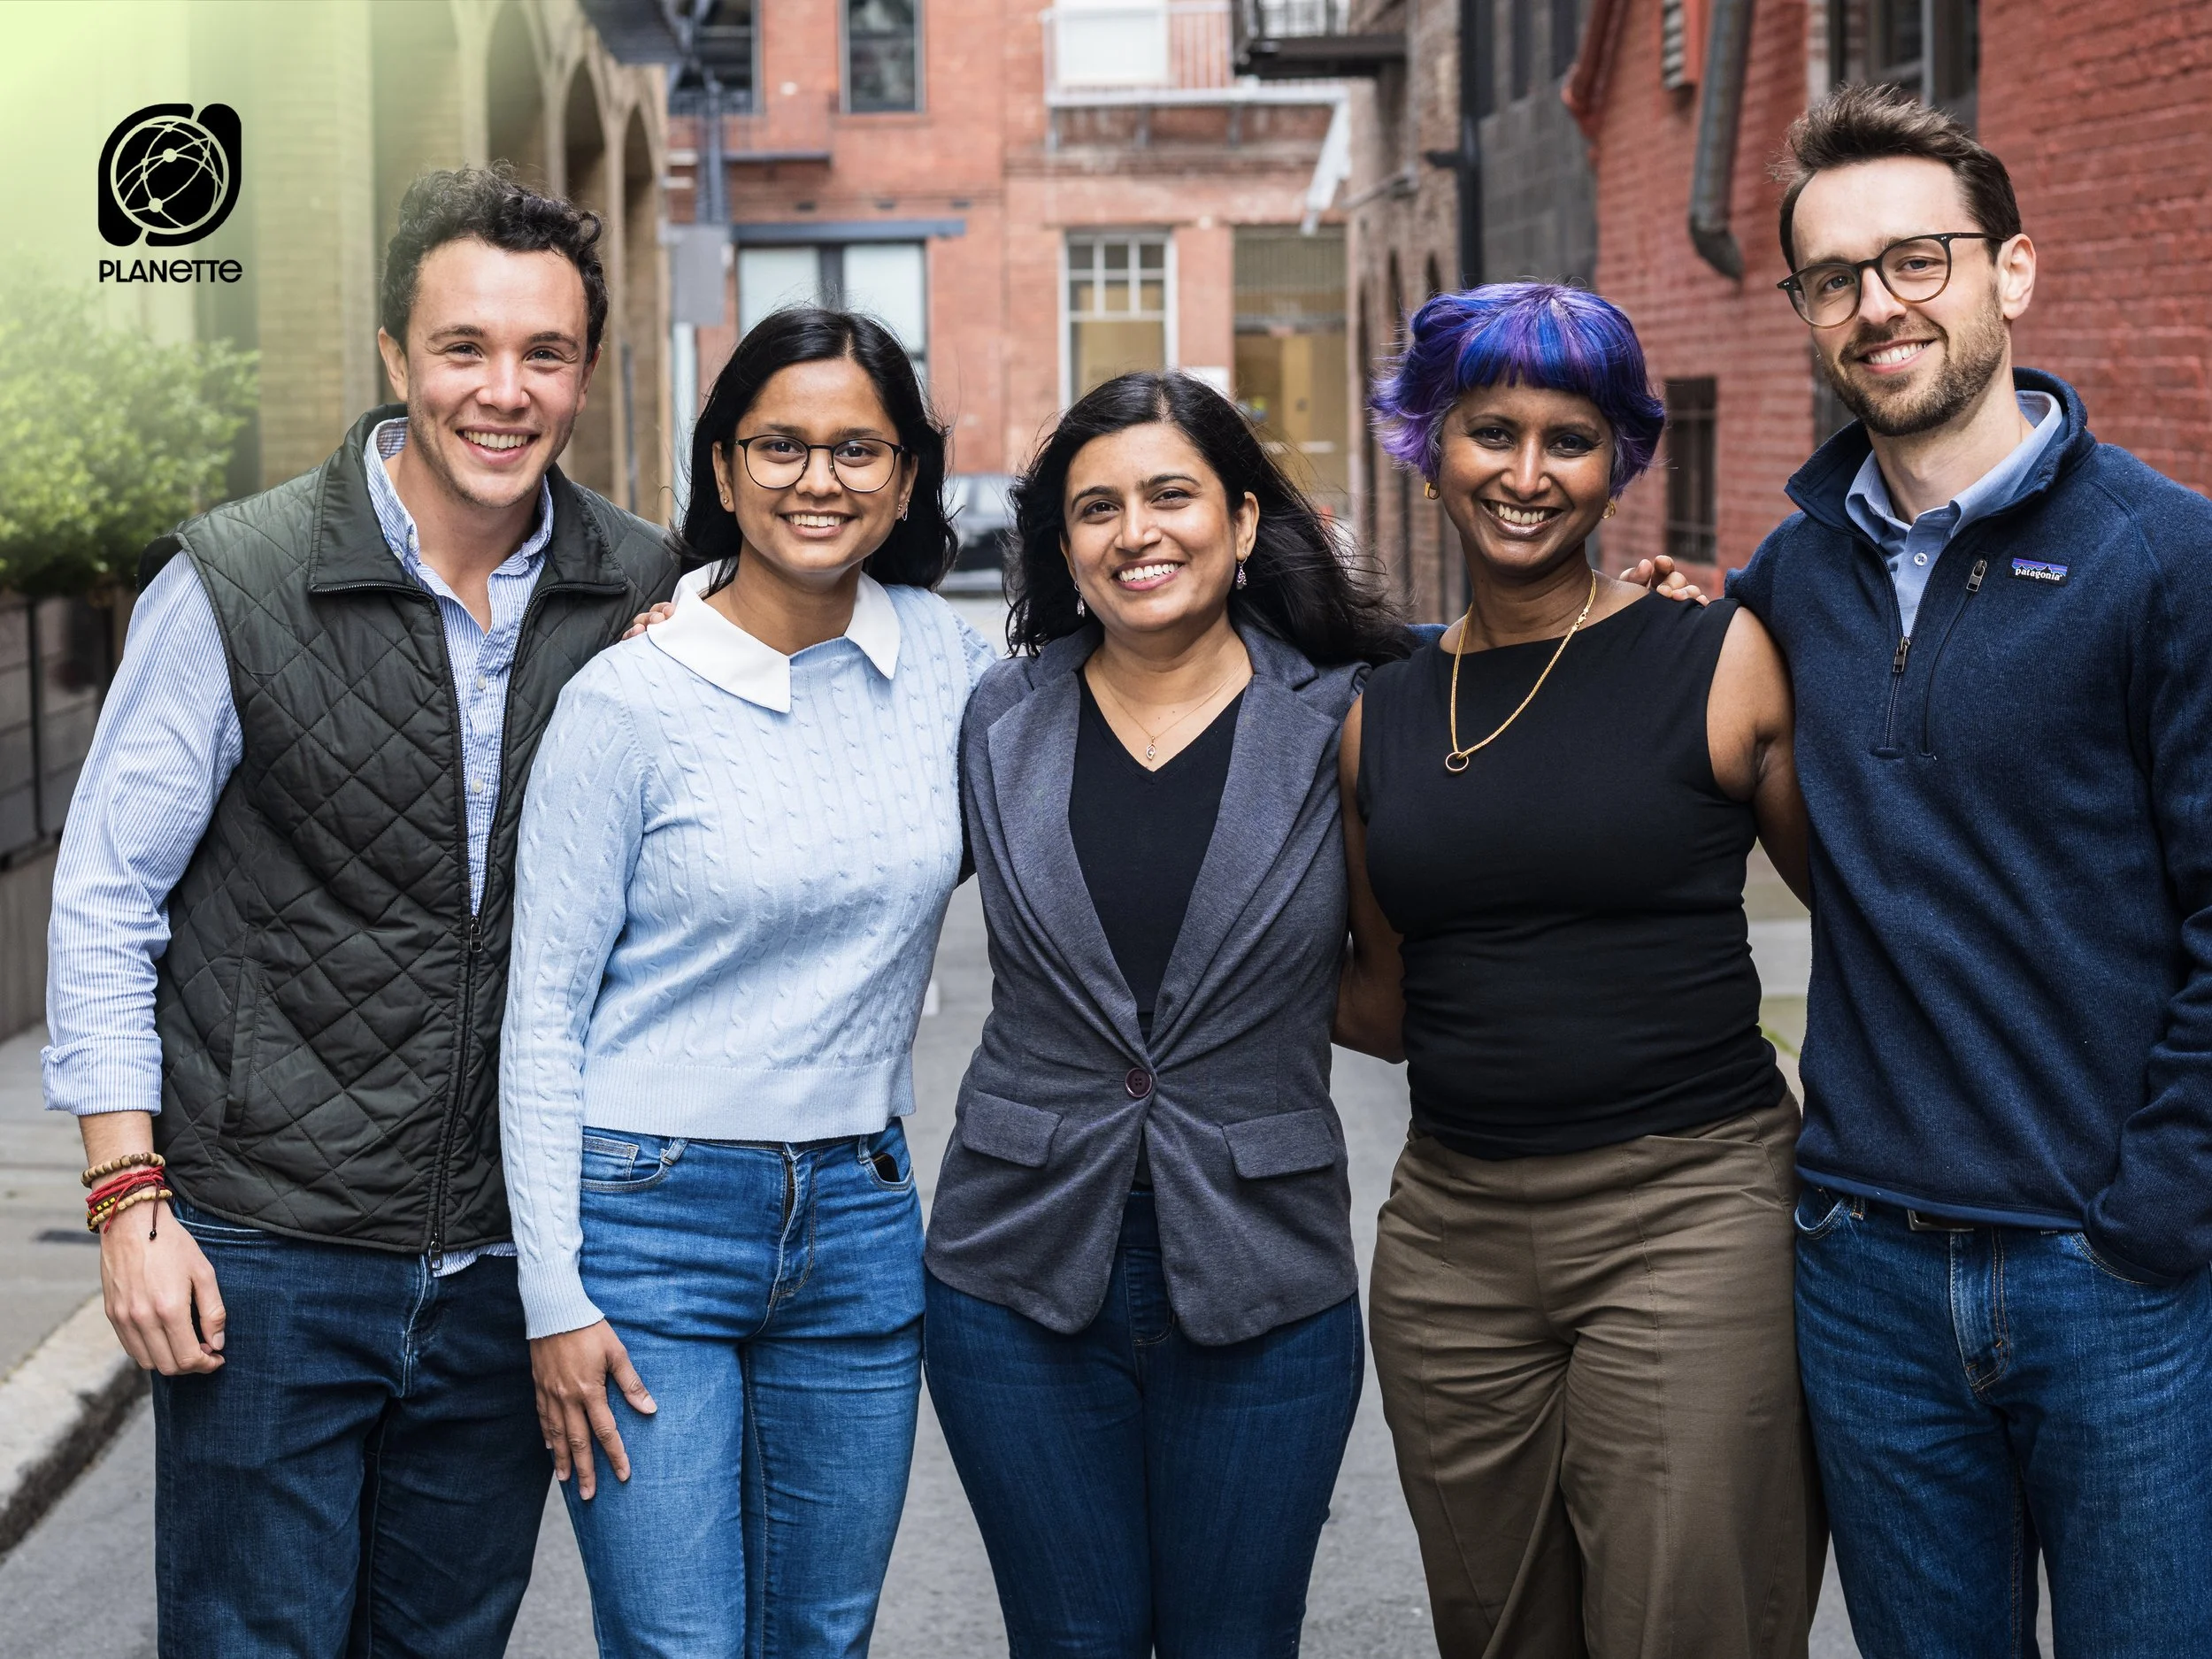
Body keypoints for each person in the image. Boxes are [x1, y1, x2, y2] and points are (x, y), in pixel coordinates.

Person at [42, 168, 678, 1653]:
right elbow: (103, 900)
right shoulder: (237, 580)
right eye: (464, 347)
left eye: (545, 354)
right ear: (395, 357)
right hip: (268, 1250)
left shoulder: (642, 587)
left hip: (509, 1257)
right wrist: (129, 1201)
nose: (503, 391)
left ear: (587, 369)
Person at [1715, 85, 2212, 1657]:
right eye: (1835, 277)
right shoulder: (1790, 577)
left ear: (2012, 272)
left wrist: (2154, 1212)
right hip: (1862, 1261)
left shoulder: (2166, 559)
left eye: (1917, 257)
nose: (1879, 302)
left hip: (2107, 1273)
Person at [500, 306, 994, 1659]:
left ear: (904, 480)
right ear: (723, 470)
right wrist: (556, 1296)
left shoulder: (952, 665)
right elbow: (540, 1012)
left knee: (821, 1636)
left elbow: (1161, 684)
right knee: (678, 1644)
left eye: (855, 449)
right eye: (779, 444)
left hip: (860, 1215)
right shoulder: (629, 699)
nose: (816, 480)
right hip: (645, 1224)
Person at [1340, 281, 1821, 1658]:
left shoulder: (1715, 657)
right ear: (1428, 441)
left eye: (1574, 437)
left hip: (1689, 1210)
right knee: (1495, 1633)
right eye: (1492, 431)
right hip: (1449, 1236)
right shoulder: (1378, 712)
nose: (1529, 473)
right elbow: (1378, 1005)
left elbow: (1871, 902)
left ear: (1623, 460)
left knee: (1690, 1625)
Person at [919, 371, 1408, 1656]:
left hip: (1264, 1269)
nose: (1136, 530)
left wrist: (1651, 619)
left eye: (1170, 494)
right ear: (1063, 546)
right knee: (1069, 1639)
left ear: (1243, 523)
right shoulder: (993, 717)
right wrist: (673, 616)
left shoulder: (1349, 717)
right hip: (1015, 1270)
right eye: (1095, 508)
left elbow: (1390, 987)